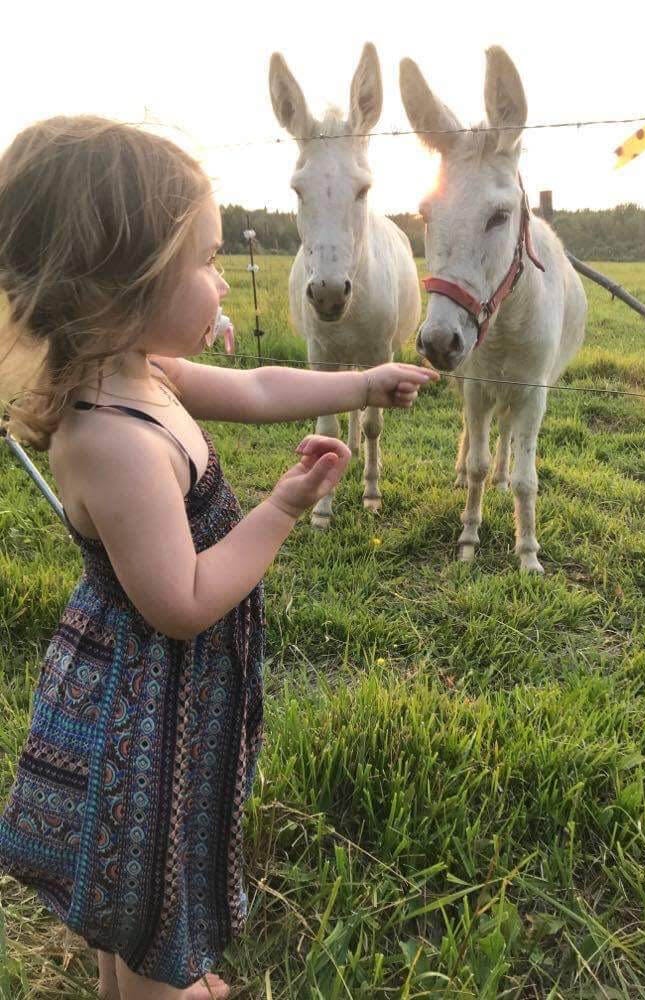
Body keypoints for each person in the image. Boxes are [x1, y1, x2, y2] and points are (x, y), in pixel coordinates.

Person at [0, 116, 438, 1000]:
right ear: (122, 281)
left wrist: (362, 383)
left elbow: (256, 387)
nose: (218, 282)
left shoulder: (141, 370)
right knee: (147, 856)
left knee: (132, 878)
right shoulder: (112, 437)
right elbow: (186, 599)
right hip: (142, 708)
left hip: (166, 691)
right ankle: (163, 983)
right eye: (202, 262)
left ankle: (135, 974)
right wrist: (280, 509)